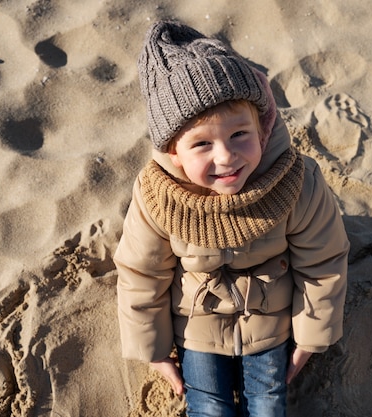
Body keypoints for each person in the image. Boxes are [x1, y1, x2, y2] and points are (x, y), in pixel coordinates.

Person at [114, 20, 350, 417]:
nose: (225, 157)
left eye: (240, 134)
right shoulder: (158, 195)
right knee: (208, 408)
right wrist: (154, 350)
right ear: (174, 153)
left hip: (270, 323)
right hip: (196, 327)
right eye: (202, 144)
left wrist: (310, 338)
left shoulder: (296, 181)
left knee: (268, 406)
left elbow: (323, 262)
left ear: (263, 127)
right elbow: (141, 273)